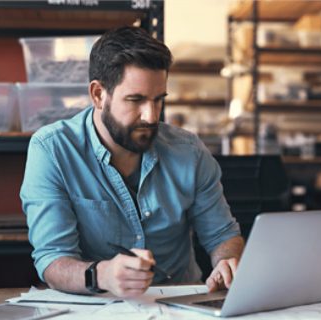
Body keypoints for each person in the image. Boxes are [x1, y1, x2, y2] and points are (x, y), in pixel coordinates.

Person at [20, 26, 244, 298]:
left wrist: (226, 261)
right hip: (98, 307)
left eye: (158, 100)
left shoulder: (190, 152)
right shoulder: (52, 150)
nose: (151, 116)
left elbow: (222, 235)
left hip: (181, 303)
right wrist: (102, 274)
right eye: (135, 100)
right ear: (98, 95)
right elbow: (53, 260)